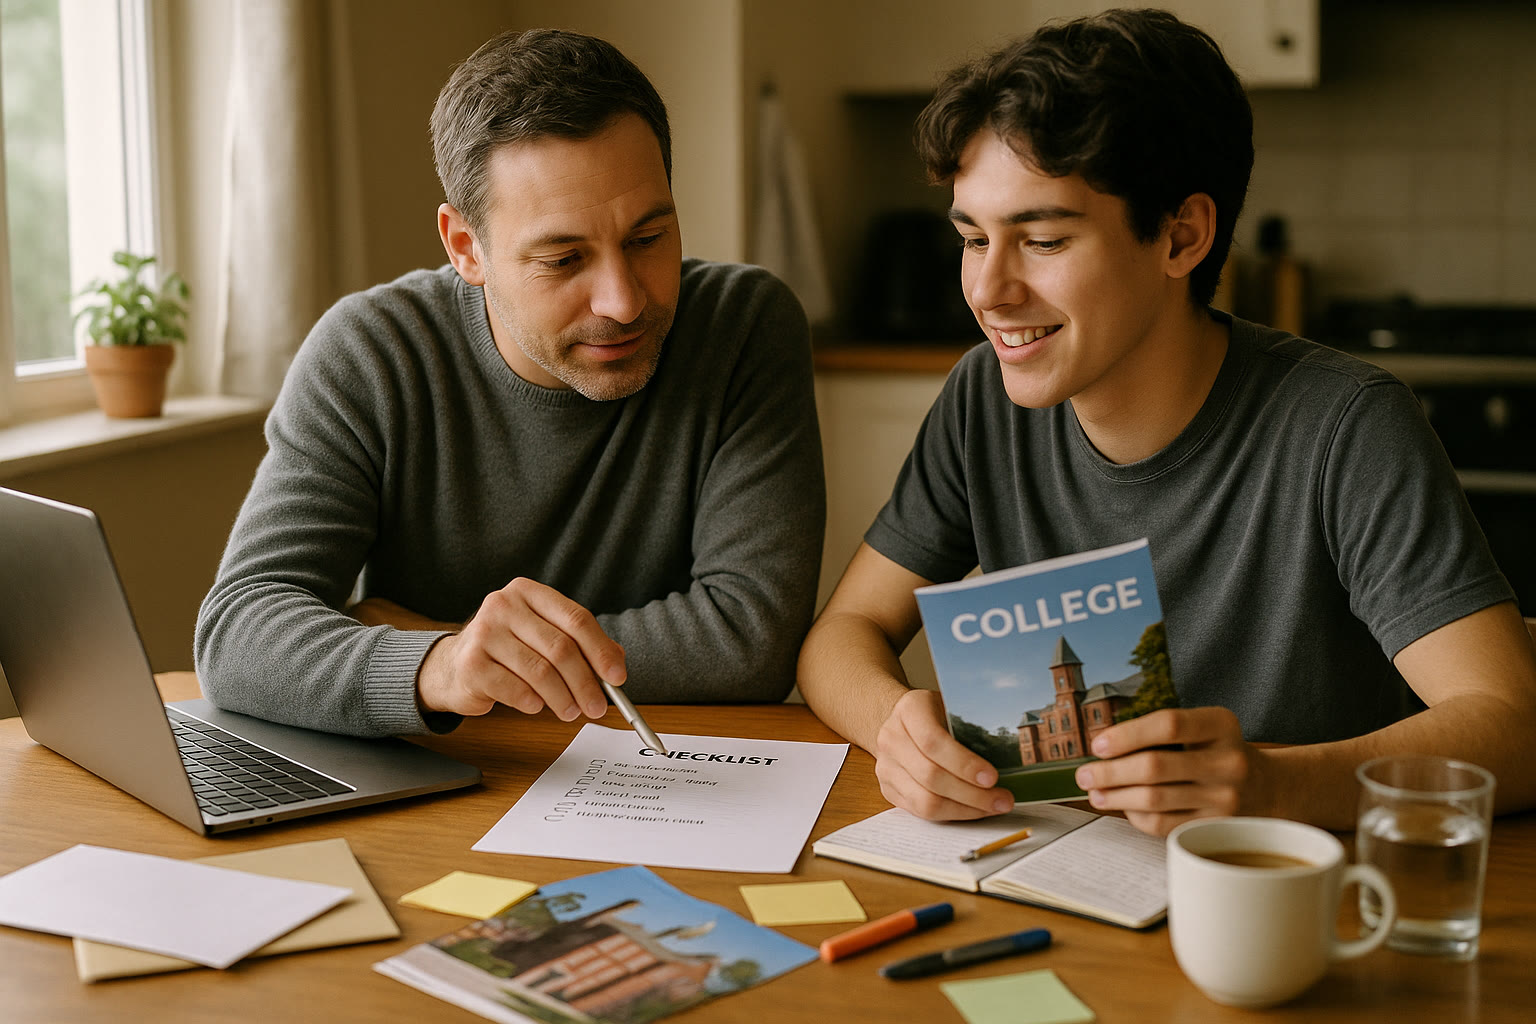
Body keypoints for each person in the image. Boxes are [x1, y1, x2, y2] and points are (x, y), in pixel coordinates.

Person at [796, 8, 1536, 836]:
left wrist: (1272, 786)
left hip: (1291, 906)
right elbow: (842, 635)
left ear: (1181, 236)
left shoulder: (1344, 427)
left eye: (1040, 240)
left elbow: (1513, 725)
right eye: (973, 238)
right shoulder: (983, 401)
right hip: (1067, 886)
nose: (986, 291)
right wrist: (895, 727)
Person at [196, 29, 824, 738]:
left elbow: (749, 640)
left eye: (649, 239)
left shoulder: (744, 327)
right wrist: (442, 666)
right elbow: (239, 630)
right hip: (454, 783)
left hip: (676, 778)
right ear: (466, 248)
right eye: (563, 259)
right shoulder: (370, 353)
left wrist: (449, 643)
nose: (623, 300)